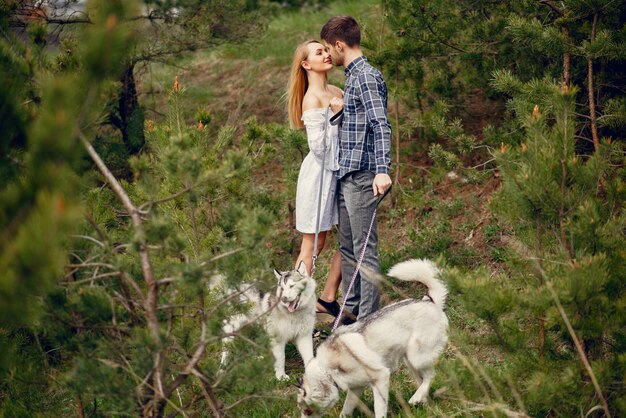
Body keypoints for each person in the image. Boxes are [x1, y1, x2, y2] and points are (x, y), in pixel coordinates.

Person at [320, 16, 392, 320]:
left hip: (364, 176)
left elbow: (380, 124)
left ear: (339, 45)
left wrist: (382, 169)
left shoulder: (365, 76)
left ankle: (368, 322)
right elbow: (357, 127)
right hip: (346, 174)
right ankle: (350, 315)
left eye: (328, 48)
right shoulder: (353, 78)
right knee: (349, 250)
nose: (328, 55)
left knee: (365, 252)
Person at [287, 39, 347, 318]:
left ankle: (329, 297)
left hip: (339, 174)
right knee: (314, 244)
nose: (326, 54)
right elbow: (320, 149)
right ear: (306, 64)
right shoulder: (311, 99)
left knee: (348, 237)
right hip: (318, 177)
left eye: (325, 50)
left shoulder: (336, 90)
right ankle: (290, 304)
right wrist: (336, 116)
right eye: (318, 52)